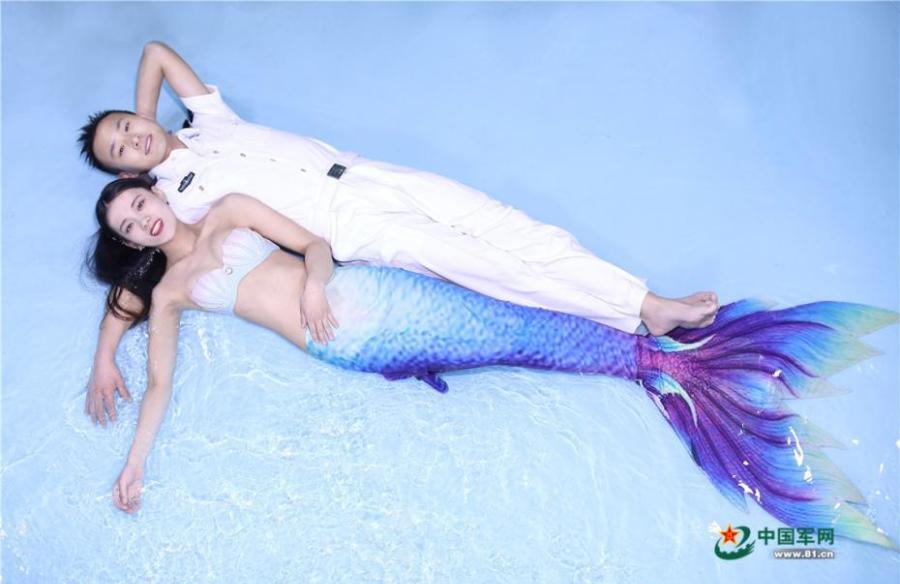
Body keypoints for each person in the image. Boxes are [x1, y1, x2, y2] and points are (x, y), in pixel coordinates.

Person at [88, 177, 898, 551]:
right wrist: (133, 459)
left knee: (516, 326)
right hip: (354, 346)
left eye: (141, 201)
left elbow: (314, 243)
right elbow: (158, 382)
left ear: (155, 192)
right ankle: (666, 369)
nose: (145, 219)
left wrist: (315, 282)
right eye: (130, 224)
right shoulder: (171, 295)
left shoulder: (227, 208)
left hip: (362, 295)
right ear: (131, 242)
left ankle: (661, 361)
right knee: (509, 342)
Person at [79, 41, 720, 427]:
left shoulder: (207, 121)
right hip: (349, 227)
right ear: (124, 173)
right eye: (120, 150)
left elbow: (155, 52)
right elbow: (139, 288)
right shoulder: (173, 203)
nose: (133, 138)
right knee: (489, 268)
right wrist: (106, 354)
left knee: (508, 226)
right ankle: (625, 322)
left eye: (128, 127)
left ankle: (643, 301)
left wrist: (142, 121)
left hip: (368, 173)